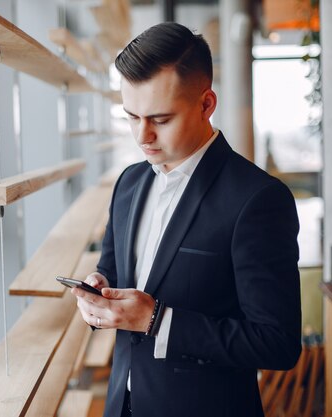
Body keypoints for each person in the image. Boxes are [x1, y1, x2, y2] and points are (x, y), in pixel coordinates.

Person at [71, 22, 302, 417]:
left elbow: (277, 343)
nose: (142, 136)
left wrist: (158, 320)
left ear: (206, 104)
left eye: (160, 119)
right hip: (121, 405)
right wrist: (100, 290)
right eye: (131, 116)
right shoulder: (128, 183)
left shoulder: (258, 199)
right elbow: (112, 268)